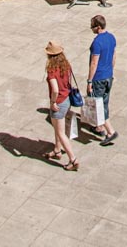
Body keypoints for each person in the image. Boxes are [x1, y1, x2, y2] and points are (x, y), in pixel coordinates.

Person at [44, 41, 80, 170]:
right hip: (67, 99)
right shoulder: (66, 65)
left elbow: (55, 89)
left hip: (58, 102)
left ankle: (73, 159)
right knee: (57, 128)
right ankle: (57, 150)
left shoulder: (51, 70)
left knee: (61, 133)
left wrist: (53, 102)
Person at [87, 15, 119, 146]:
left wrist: (89, 81)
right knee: (104, 102)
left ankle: (110, 131)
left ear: (98, 27)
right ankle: (99, 127)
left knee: (98, 105)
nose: (91, 29)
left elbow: (94, 63)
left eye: (92, 27)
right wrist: (111, 71)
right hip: (108, 76)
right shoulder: (112, 38)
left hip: (98, 78)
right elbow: (114, 56)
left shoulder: (97, 42)